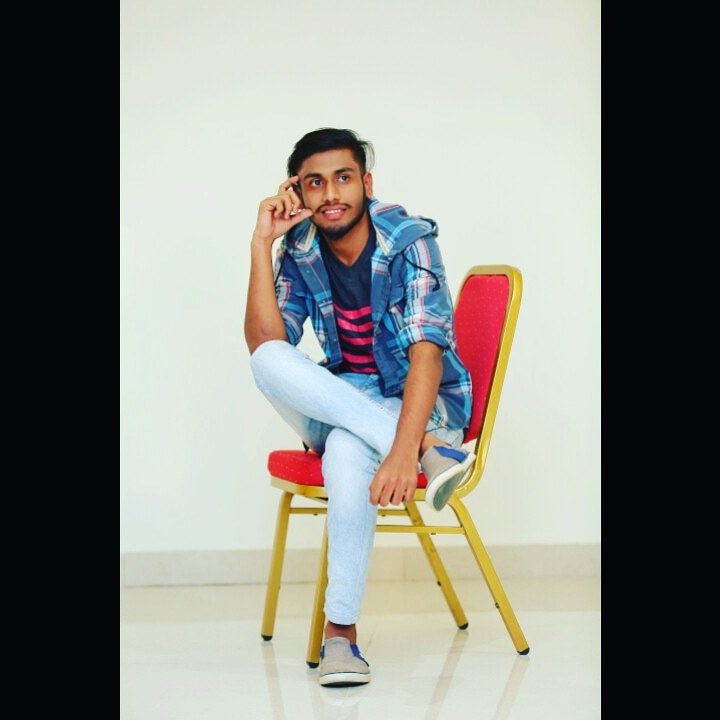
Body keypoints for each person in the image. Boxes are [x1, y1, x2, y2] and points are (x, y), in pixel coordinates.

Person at [244, 128, 474, 687]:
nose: (331, 195)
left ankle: (340, 637)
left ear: (366, 183)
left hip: (415, 404)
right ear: (297, 192)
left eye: (343, 178)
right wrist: (262, 244)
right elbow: (268, 342)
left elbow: (426, 355)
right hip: (351, 402)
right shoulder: (300, 248)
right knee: (267, 359)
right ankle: (429, 451)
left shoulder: (410, 241)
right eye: (315, 183)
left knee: (347, 450)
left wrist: (399, 444)